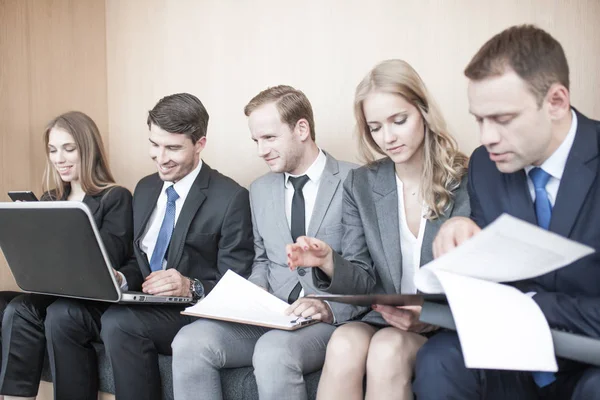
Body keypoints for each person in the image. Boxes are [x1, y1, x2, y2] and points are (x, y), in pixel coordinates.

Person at [412, 25, 600, 400]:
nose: (486, 137)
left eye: (502, 119)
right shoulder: (485, 165)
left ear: (557, 102)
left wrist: (530, 305)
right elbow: (497, 261)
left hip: (589, 361)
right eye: (479, 119)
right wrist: (464, 229)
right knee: (438, 359)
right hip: (512, 356)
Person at [44, 93, 255, 400]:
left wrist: (190, 285)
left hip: (188, 311)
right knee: (62, 315)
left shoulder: (230, 197)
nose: (161, 156)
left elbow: (237, 281)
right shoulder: (145, 188)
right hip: (139, 300)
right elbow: (136, 259)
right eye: (154, 144)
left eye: (173, 147)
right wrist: (121, 277)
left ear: (200, 144)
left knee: (120, 323)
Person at [286, 59, 470, 400]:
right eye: (375, 127)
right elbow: (363, 279)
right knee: (342, 343)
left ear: (423, 111)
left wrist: (428, 317)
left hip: (442, 323)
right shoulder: (362, 183)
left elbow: (479, 281)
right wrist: (328, 261)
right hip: (382, 318)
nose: (388, 137)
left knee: (387, 349)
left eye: (399, 120)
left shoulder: (466, 179)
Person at [171, 85, 360, 400]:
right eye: (256, 140)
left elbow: (365, 266)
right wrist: (252, 293)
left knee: (273, 352)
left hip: (327, 318)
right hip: (271, 313)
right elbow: (261, 261)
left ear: (302, 129)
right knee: (188, 342)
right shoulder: (259, 189)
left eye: (269, 138)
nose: (261, 150)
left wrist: (328, 307)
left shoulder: (355, 181)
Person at [0, 111, 133, 400]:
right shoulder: (50, 199)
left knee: (30, 310)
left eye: (68, 148)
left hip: (93, 299)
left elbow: (108, 257)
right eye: (53, 150)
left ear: (88, 149)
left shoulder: (115, 197)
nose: (59, 158)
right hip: (56, 289)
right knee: (7, 303)